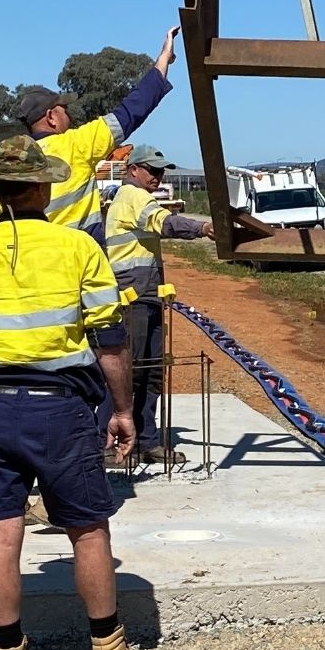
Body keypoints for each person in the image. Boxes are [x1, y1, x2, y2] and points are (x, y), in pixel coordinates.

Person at [0, 135, 157, 650]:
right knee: (88, 528)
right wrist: (123, 410)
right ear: (44, 189)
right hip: (60, 413)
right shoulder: (79, 250)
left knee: (0, 531)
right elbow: (111, 339)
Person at [5, 27, 182, 246]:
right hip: (78, 258)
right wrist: (164, 58)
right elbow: (133, 110)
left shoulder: (10, 163)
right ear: (51, 117)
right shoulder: (76, 144)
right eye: (64, 109)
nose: (69, 114)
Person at [102, 146, 214, 456]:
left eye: (161, 171)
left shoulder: (135, 197)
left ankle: (146, 440)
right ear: (133, 170)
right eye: (152, 170)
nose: (158, 176)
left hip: (147, 295)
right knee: (129, 370)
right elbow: (164, 223)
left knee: (151, 371)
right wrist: (203, 228)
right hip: (132, 297)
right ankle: (107, 442)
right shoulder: (133, 196)